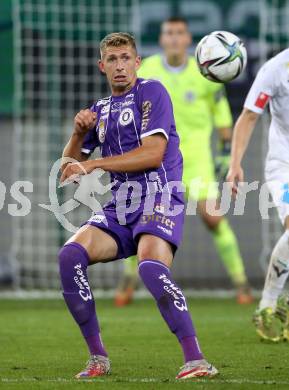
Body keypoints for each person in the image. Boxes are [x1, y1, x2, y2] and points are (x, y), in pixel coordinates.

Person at [59, 32, 218, 379]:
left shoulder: (152, 92)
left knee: (150, 267)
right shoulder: (99, 110)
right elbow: (68, 171)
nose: (120, 66)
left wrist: (97, 164)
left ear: (137, 62)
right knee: (70, 256)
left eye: (126, 58)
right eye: (112, 60)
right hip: (121, 204)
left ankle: (196, 359)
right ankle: (97, 358)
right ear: (102, 66)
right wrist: (77, 134)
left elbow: (153, 154)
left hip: (160, 194)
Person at [115, 17, 252, 307]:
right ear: (162, 39)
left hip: (197, 161)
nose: (174, 38)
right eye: (169, 33)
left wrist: (225, 156)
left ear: (189, 39)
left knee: (214, 218)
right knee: (141, 220)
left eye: (179, 33)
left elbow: (223, 120)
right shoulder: (147, 69)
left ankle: (241, 283)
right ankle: (127, 284)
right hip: (157, 160)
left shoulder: (206, 73)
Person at [227, 48, 289, 342]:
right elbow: (249, 115)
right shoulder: (275, 69)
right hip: (285, 165)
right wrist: (235, 163)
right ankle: (267, 306)